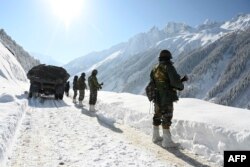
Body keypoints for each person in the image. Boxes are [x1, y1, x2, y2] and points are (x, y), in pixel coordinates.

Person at [150, 49, 188, 148]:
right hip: (166, 96)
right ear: (168, 58)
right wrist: (181, 84)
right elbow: (175, 82)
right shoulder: (169, 67)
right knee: (167, 116)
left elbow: (152, 82)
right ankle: (167, 142)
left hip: (157, 96)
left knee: (157, 115)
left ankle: (155, 137)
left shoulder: (154, 68)